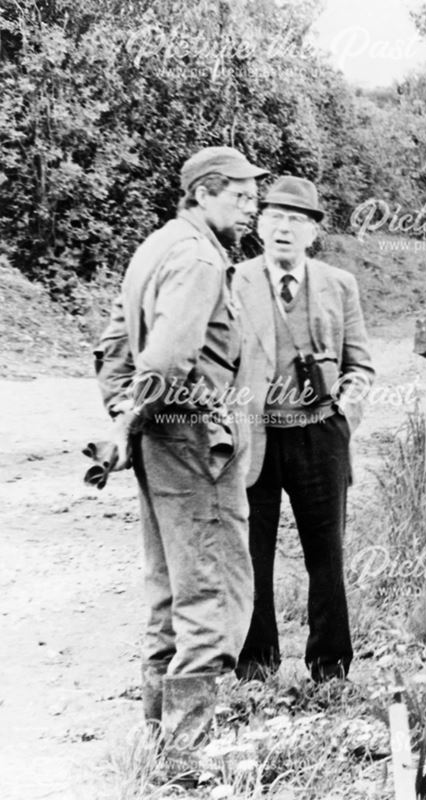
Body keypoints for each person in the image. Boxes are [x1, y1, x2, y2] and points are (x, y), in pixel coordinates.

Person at [94, 146, 268, 766]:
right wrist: (143, 416)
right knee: (212, 592)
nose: (252, 208)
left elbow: (115, 346)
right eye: (241, 196)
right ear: (204, 193)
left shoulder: (157, 245)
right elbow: (166, 362)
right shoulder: (197, 257)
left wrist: (125, 420)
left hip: (158, 439)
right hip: (194, 439)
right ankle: (189, 754)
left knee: (170, 588)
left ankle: (158, 740)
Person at [232, 175, 374, 683]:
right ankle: (255, 663)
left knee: (326, 555)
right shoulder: (234, 281)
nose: (284, 229)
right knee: (252, 554)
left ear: (313, 232)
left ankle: (331, 665)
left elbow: (361, 366)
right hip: (255, 437)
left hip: (320, 435)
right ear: (259, 226)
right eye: (274, 218)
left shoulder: (339, 285)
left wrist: (344, 417)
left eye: (297, 220)